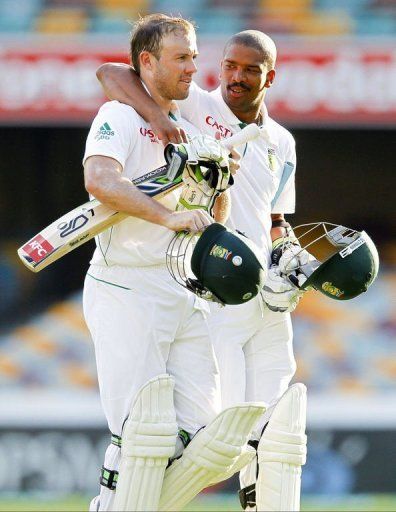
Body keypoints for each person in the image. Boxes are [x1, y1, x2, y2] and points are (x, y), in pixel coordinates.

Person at [97, 28, 308, 511]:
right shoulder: (195, 106)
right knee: (225, 432)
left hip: (266, 292)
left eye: (249, 69)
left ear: (269, 76)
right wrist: (161, 119)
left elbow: (276, 219)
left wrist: (289, 257)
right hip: (212, 286)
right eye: (229, 66)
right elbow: (111, 74)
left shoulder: (282, 141)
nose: (235, 77)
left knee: (276, 426)